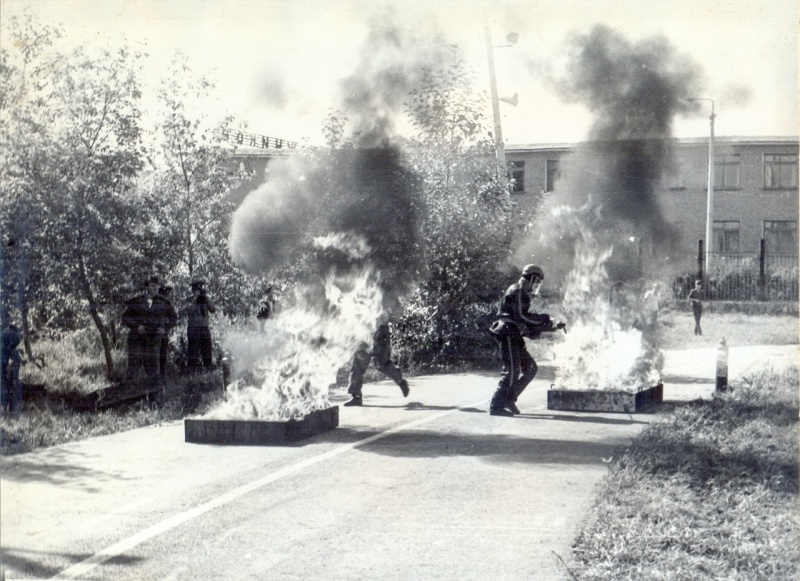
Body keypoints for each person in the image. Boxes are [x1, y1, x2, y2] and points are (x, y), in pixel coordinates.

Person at [488, 264, 565, 417]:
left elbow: (524, 318)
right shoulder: (517, 290)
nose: (536, 286)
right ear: (531, 279)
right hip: (508, 333)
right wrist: (545, 318)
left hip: (514, 335)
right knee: (512, 371)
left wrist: (550, 324)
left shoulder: (521, 292)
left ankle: (509, 398)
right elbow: (522, 317)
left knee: (530, 368)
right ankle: (496, 405)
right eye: (536, 282)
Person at [121, 276, 177, 388]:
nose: (155, 288)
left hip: (154, 339)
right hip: (137, 338)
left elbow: (174, 317)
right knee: (134, 364)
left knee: (154, 365)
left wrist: (165, 328)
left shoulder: (164, 302)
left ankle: (154, 392)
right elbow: (125, 317)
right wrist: (136, 327)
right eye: (152, 285)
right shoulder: (136, 301)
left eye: (157, 286)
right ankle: (131, 390)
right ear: (147, 287)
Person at [343, 314, 409, 407]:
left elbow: (392, 313)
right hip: (367, 329)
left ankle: (400, 380)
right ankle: (356, 396)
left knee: (378, 364)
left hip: (376, 331)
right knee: (362, 364)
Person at [185, 280, 216, 369]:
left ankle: (208, 368)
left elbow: (213, 309)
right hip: (193, 329)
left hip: (204, 328)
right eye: (197, 288)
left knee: (207, 351)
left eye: (201, 287)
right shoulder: (189, 299)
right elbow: (190, 310)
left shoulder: (205, 300)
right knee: (193, 352)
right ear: (193, 289)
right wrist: (195, 298)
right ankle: (192, 370)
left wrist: (206, 297)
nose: (200, 289)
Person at [1, 320, 22, 417]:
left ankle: (5, 407)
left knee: (4, 384)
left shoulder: (3, 334)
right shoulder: (16, 335)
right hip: (10, 361)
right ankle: (11, 407)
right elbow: (13, 348)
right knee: (12, 384)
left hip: (4, 361)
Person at [157, 285, 175, 380]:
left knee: (162, 359)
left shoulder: (167, 304)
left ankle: (162, 381)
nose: (166, 295)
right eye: (164, 293)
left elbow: (174, 318)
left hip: (163, 336)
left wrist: (166, 328)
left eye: (167, 293)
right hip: (151, 337)